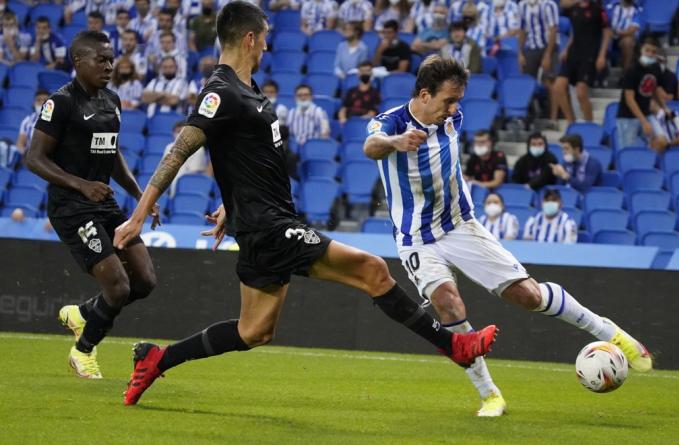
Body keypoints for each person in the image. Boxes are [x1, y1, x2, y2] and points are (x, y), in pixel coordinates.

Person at [113, 2, 496, 406]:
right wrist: (137, 216)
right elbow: (179, 150)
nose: (265, 47)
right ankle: (454, 346)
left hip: (261, 222)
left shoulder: (248, 90)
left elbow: (239, 156)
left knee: (254, 331)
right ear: (248, 39)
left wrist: (232, 205)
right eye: (262, 39)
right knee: (373, 270)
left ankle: (157, 359)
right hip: (270, 225)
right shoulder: (220, 92)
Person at [365, 54, 652, 417]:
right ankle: (490, 394)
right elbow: (370, 147)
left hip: (460, 225)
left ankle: (610, 332)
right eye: (448, 101)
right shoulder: (389, 123)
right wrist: (396, 142)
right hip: (415, 237)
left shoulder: (452, 118)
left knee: (528, 296)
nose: (454, 109)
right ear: (424, 95)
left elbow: (439, 71)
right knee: (448, 302)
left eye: (458, 101)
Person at [25, 31, 159, 379]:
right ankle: (83, 352)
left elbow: (112, 154)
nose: (110, 65)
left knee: (144, 280)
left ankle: (82, 313)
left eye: (111, 59)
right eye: (101, 59)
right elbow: (34, 158)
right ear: (78, 62)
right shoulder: (62, 102)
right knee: (118, 285)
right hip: (71, 206)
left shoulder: (111, 101)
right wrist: (80, 184)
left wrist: (141, 195)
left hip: (102, 203)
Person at [554, 0, 611, 123]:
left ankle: (589, 123)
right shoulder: (574, 8)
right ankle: (571, 121)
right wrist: (566, 49)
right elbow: (574, 31)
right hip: (574, 52)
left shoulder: (598, 9)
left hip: (590, 54)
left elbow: (607, 33)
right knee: (558, 87)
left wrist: (602, 55)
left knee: (581, 92)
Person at [615, 36, 670, 151]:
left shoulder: (656, 68)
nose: (650, 54)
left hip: (646, 113)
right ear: (641, 50)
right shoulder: (632, 70)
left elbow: (653, 89)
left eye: (653, 52)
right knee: (627, 151)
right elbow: (629, 99)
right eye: (647, 50)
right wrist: (643, 121)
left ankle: (650, 165)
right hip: (628, 116)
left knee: (661, 141)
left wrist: (663, 107)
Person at [518, 0, 559, 125]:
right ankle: (529, 115)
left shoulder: (549, 5)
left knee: (549, 82)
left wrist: (547, 54)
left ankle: (553, 118)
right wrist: (520, 52)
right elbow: (522, 30)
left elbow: (553, 30)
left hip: (548, 47)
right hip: (531, 47)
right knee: (527, 82)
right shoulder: (522, 5)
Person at [164, 120, 211, 194]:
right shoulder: (169, 147)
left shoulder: (198, 149)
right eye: (178, 132)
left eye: (183, 132)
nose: (179, 135)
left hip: (191, 185)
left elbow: (194, 172)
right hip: (172, 185)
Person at [606, 0, 641, 72]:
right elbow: (604, 23)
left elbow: (631, 30)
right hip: (609, 35)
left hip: (626, 37)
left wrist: (615, 32)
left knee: (628, 42)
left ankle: (626, 74)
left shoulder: (638, 10)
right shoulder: (611, 6)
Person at [17, 90, 50, 154]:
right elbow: (20, 144)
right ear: (34, 103)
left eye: (45, 100)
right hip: (29, 158)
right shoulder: (27, 121)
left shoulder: (57, 121)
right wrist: (24, 154)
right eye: (38, 100)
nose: (42, 102)